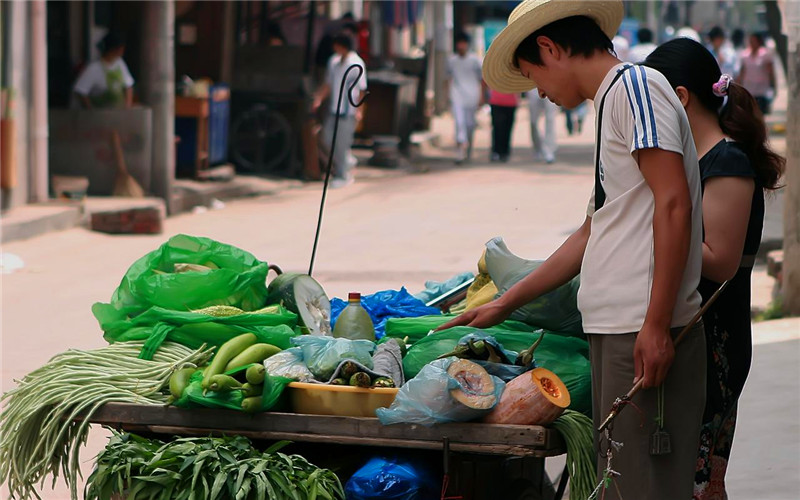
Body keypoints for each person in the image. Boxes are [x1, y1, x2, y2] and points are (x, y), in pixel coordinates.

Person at [457, 1, 706, 498]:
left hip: (640, 327)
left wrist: (656, 325)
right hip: (620, 328)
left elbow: (673, 202)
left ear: (550, 48)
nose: (541, 94)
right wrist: (505, 302)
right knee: (624, 483)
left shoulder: (634, 88)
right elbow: (591, 232)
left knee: (644, 485)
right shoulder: (612, 101)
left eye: (534, 76)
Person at [644, 38, 785, 500]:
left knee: (699, 479)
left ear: (679, 97)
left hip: (713, 341)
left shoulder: (727, 163)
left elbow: (720, 261)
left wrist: (653, 229)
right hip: (692, 332)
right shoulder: (688, 163)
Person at [312, 32, 368, 188]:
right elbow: (328, 84)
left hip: (348, 110)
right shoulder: (334, 62)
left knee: (342, 143)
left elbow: (362, 90)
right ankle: (347, 161)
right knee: (326, 138)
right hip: (334, 108)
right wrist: (318, 98)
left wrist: (359, 111)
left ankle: (343, 175)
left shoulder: (356, 63)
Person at [447, 32, 484, 164]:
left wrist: (482, 97)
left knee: (469, 124)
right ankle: (459, 153)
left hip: (472, 95)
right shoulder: (452, 61)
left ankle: (468, 149)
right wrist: (447, 96)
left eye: (463, 43)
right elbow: (448, 79)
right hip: (457, 95)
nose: (461, 46)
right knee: (459, 123)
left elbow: (482, 79)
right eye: (459, 43)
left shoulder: (474, 61)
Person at [73, 32, 134, 109]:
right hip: (100, 115)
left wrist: (127, 107)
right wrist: (90, 110)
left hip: (118, 113)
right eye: (121, 49)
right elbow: (80, 91)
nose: (122, 52)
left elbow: (129, 86)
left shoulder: (120, 63)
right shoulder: (93, 68)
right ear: (113, 50)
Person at [738, 33, 776, 115]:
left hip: (762, 90)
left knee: (760, 113)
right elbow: (742, 71)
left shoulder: (765, 54)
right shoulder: (744, 55)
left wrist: (773, 85)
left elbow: (771, 71)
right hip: (749, 89)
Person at [489, 90, 519, 162]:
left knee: (507, 128)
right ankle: (496, 150)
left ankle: (505, 151)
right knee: (497, 127)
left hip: (511, 102)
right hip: (496, 101)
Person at [527, 91, 557, 163]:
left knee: (550, 119)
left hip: (551, 86)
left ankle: (549, 150)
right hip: (533, 87)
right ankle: (538, 148)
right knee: (533, 122)